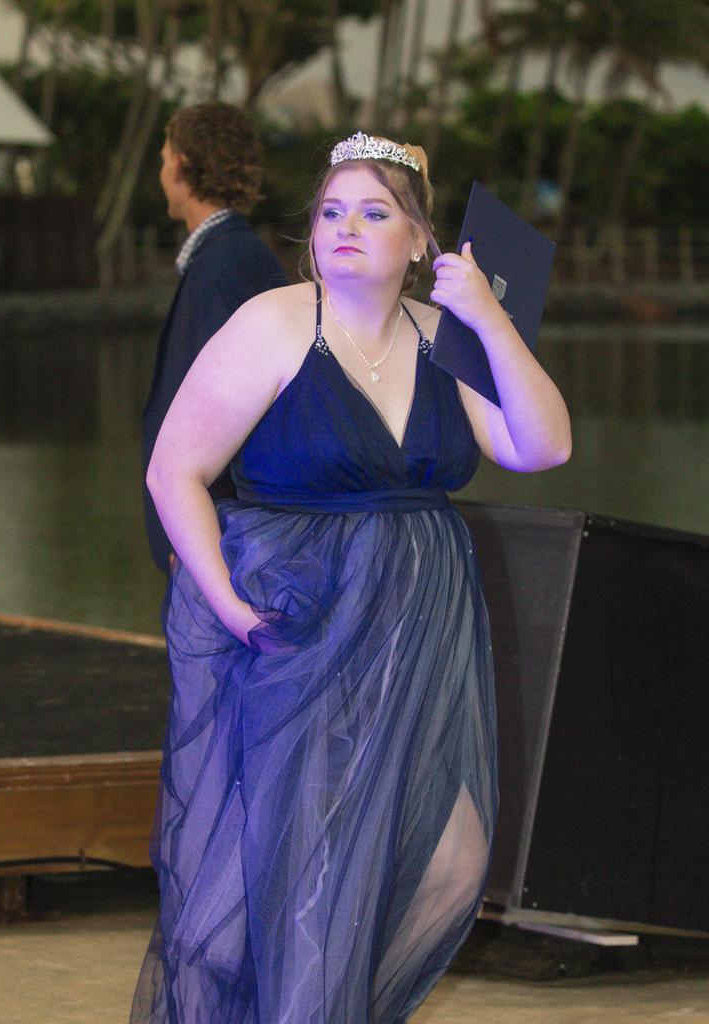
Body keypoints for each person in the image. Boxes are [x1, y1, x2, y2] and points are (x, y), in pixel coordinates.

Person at [131, 131, 572, 1023]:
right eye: (331, 212)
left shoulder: (448, 335)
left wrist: (490, 318)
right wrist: (228, 605)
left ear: (420, 240)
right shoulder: (276, 322)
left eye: (375, 213)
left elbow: (543, 444)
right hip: (298, 620)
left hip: (421, 628)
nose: (346, 228)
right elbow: (173, 470)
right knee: (300, 875)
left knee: (449, 863)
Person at [142, 102, 287, 573]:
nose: (162, 171)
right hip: (217, 532)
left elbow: (219, 411)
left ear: (182, 167)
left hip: (216, 539)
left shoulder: (223, 266)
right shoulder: (234, 256)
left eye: (165, 159)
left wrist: (189, 538)